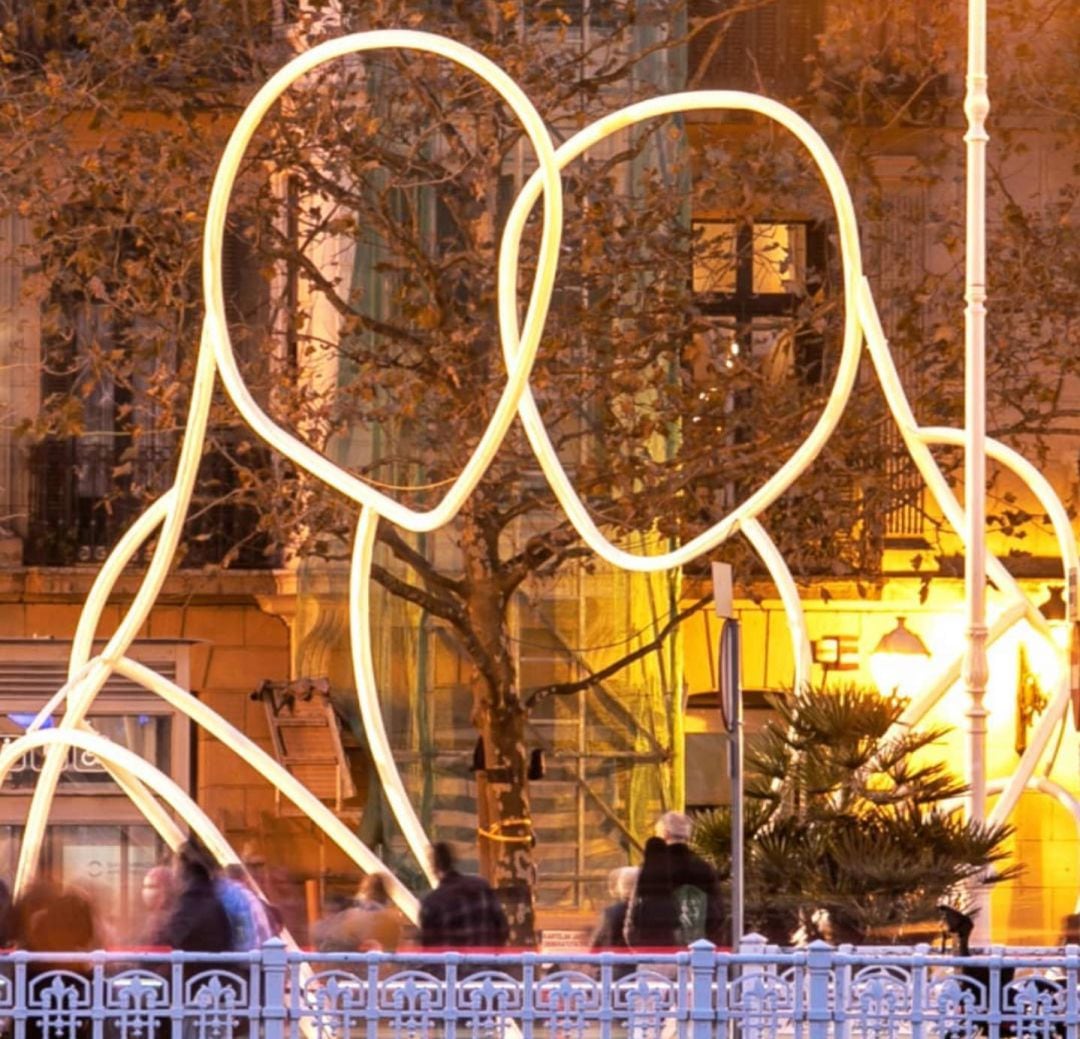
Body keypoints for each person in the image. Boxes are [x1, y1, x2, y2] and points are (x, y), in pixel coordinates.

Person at [419, 842, 508, 951]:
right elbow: (503, 929)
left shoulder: (431, 903)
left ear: (433, 867)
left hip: (452, 967)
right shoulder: (481, 886)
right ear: (453, 860)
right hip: (488, 964)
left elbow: (429, 949)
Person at [655, 810, 724, 945]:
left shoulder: (654, 868)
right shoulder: (704, 868)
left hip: (662, 948)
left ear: (665, 834)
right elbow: (717, 911)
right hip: (700, 947)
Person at [623, 837, 679, 950]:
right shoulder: (672, 873)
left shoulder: (642, 872)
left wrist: (633, 944)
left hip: (645, 940)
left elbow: (632, 910)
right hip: (668, 942)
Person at [590, 866, 638, 978]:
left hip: (616, 971)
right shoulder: (652, 911)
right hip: (647, 972)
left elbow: (598, 944)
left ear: (621, 886)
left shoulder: (611, 913)